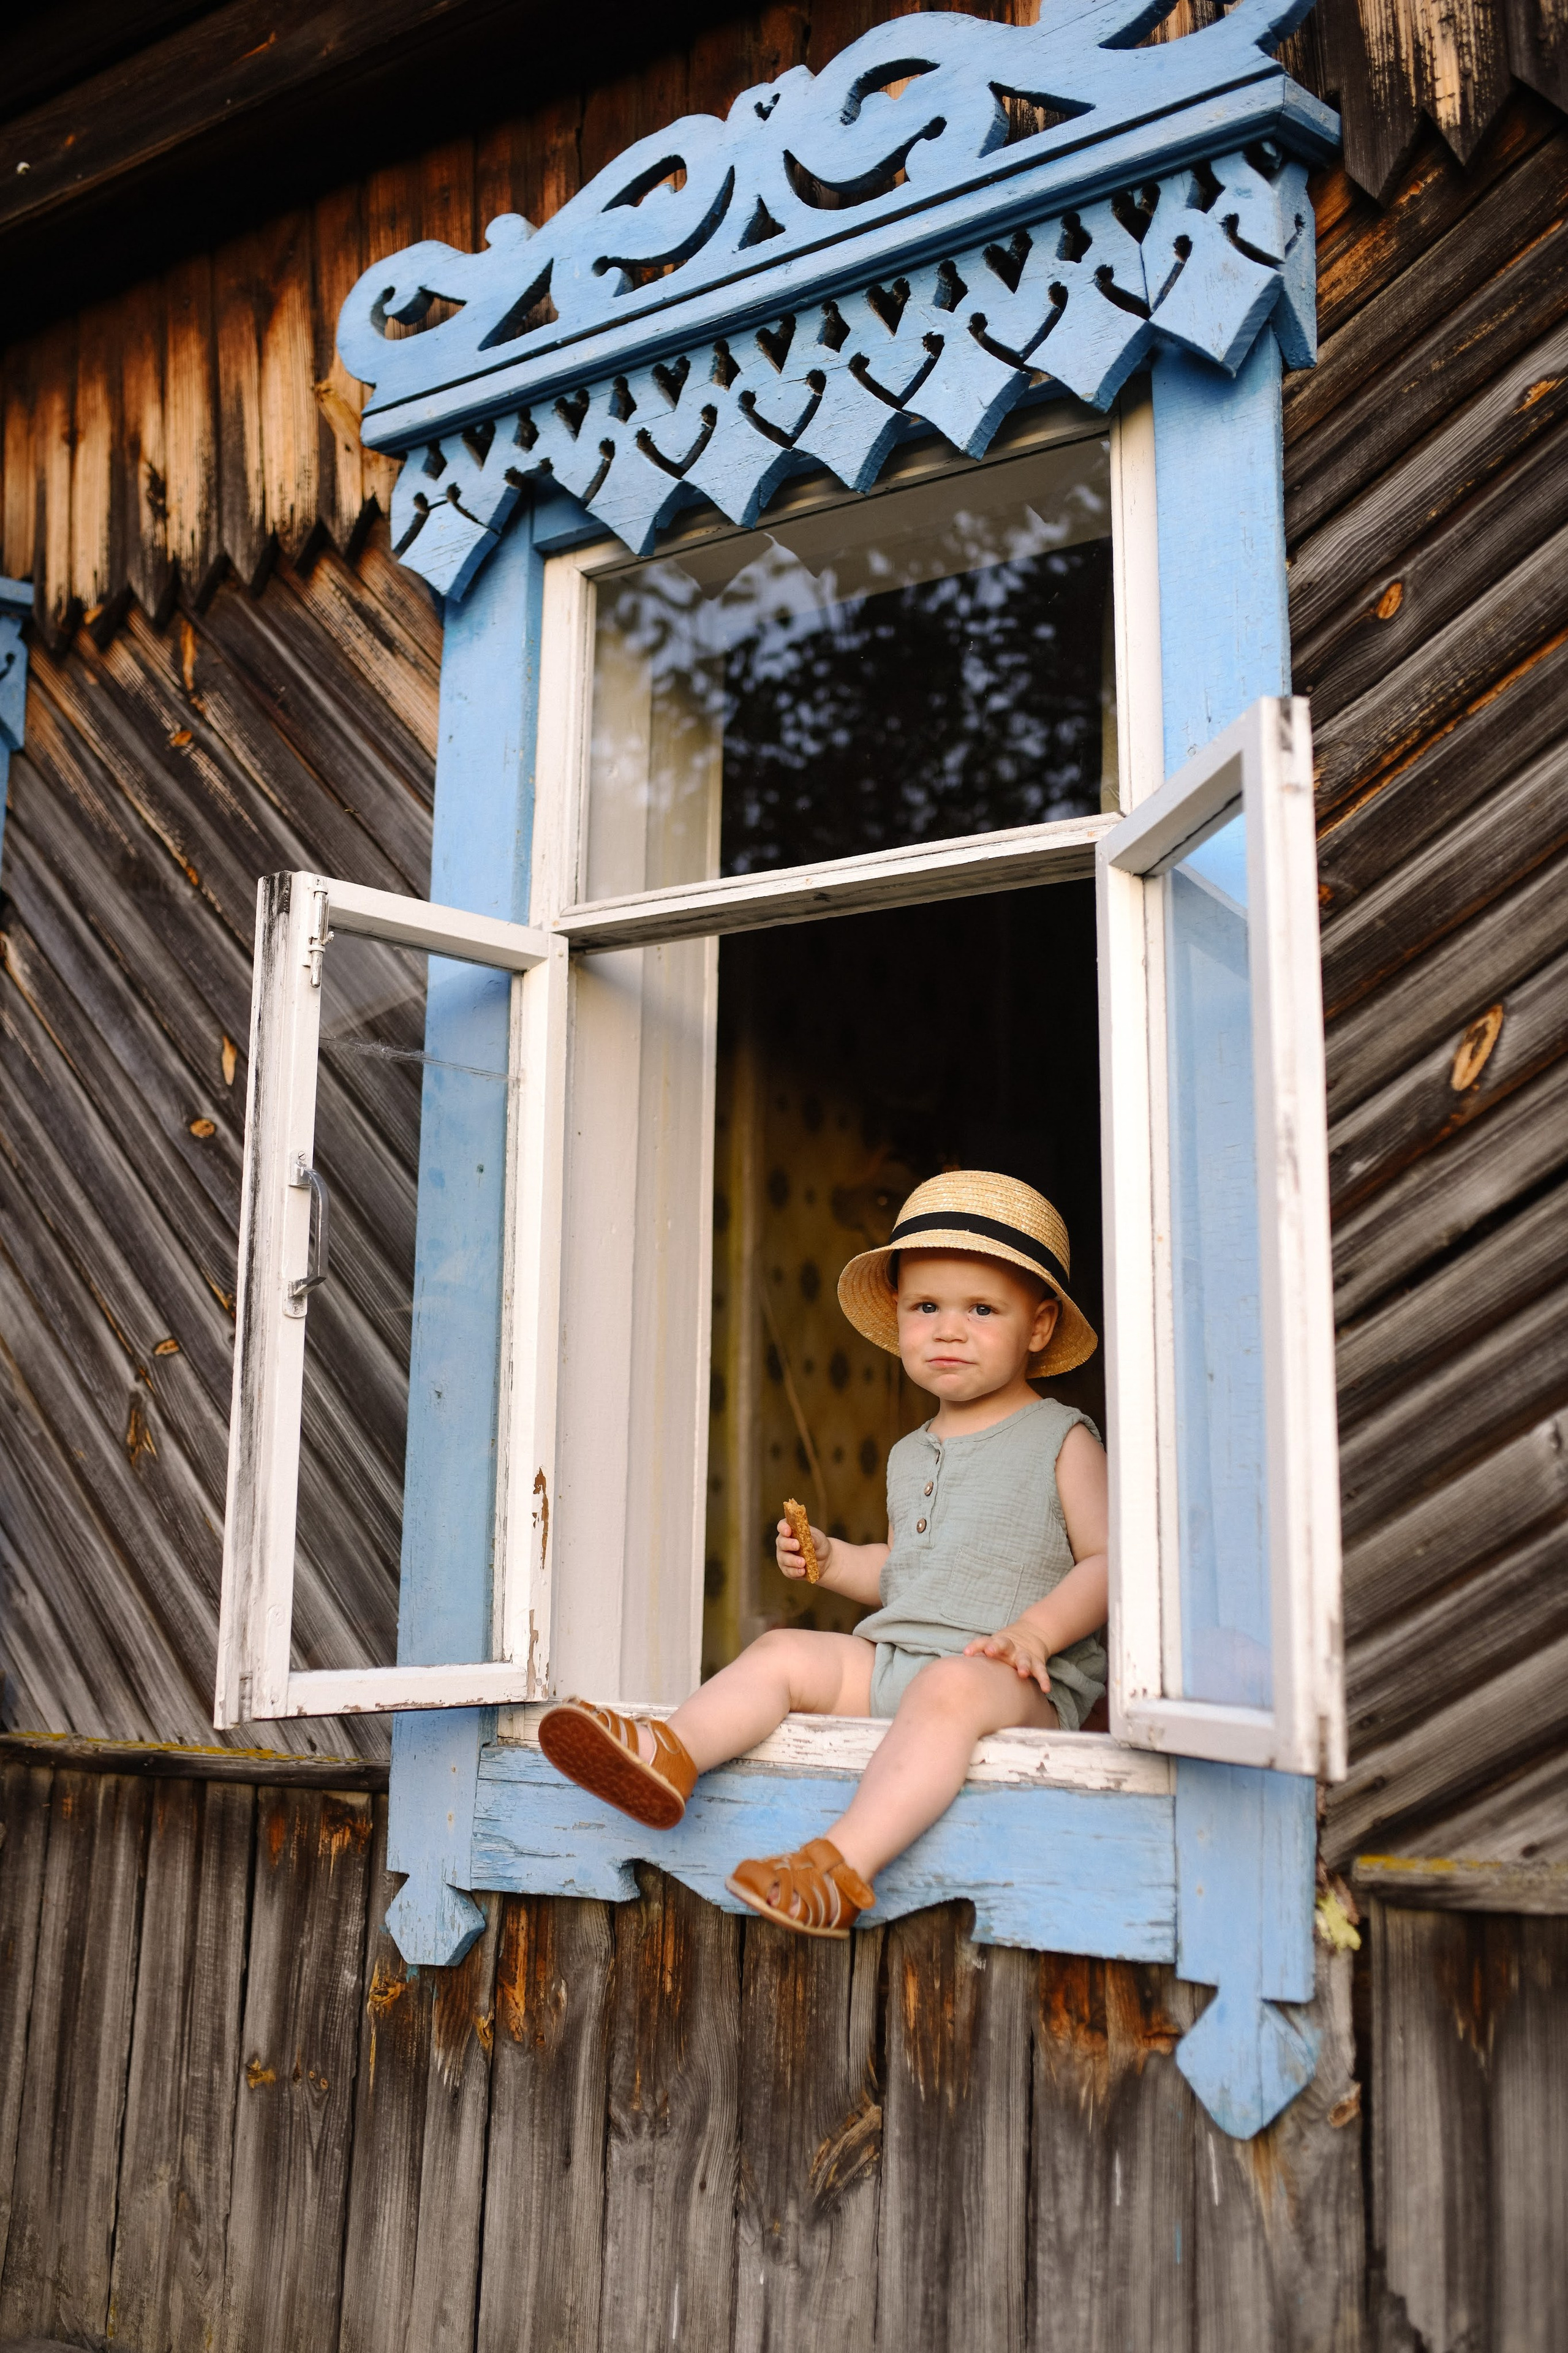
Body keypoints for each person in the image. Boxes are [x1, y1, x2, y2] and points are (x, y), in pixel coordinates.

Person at [537, 1171, 1109, 1939]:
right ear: (899, 1317)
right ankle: (671, 1752)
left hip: (1010, 1681)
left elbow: (1108, 1563)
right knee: (782, 1652)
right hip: (903, 1661)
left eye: (981, 1310)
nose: (947, 1329)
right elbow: (913, 1578)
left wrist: (1034, 1634)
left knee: (947, 1689)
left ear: (1038, 1327)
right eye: (926, 1307)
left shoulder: (1060, 1436)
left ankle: (838, 1868)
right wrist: (836, 1560)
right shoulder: (911, 1454)